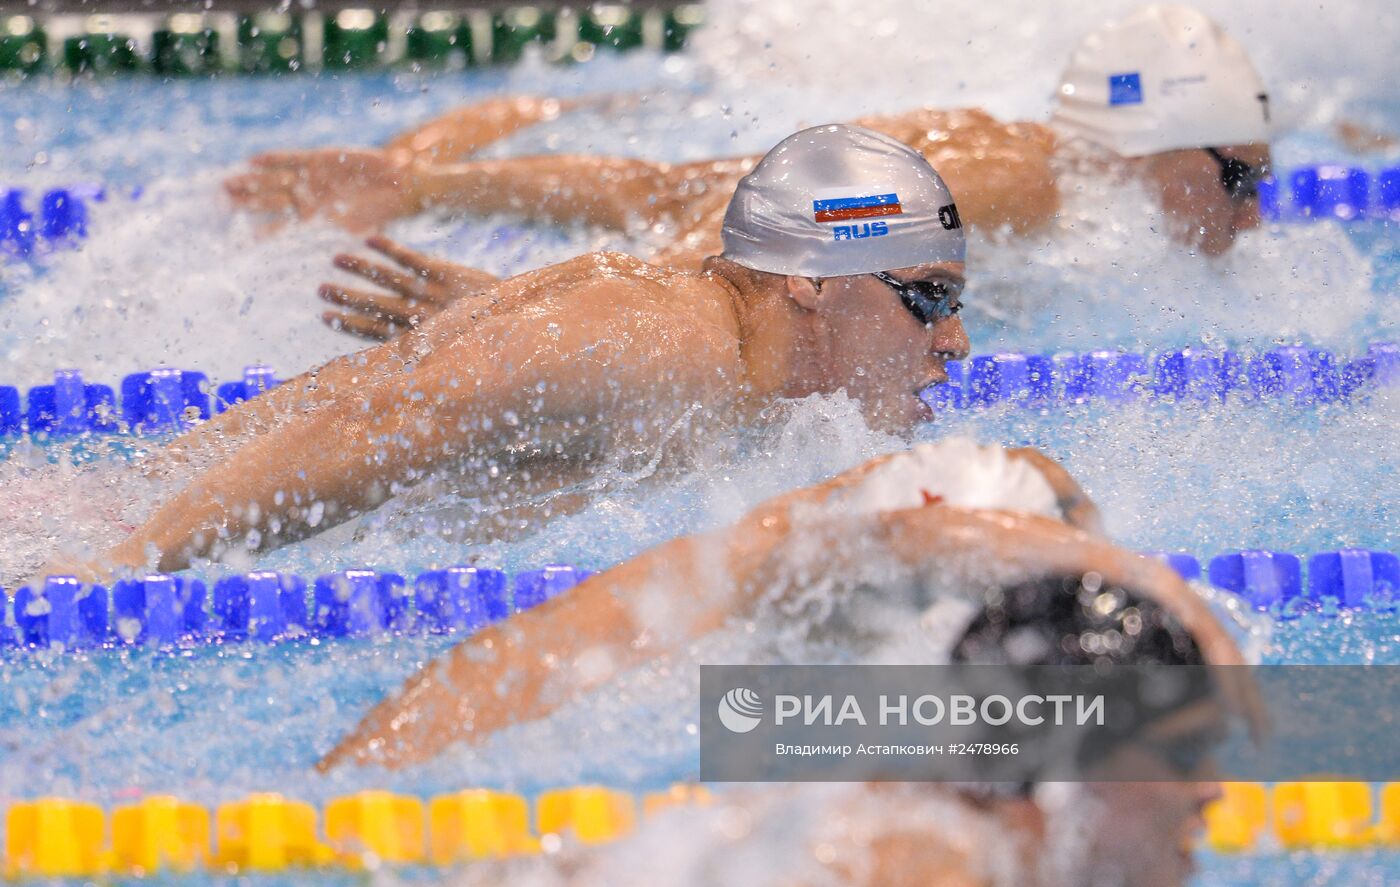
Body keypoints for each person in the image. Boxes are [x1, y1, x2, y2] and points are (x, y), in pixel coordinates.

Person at [34, 124, 976, 584]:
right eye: (927, 298)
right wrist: (122, 566)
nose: (955, 342)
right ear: (810, 281)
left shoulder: (738, 370)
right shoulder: (654, 341)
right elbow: (379, 417)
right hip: (92, 532)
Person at [319, 439, 1261, 887]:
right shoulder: (929, 858)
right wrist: (1162, 597)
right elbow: (905, 535)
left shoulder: (891, 796)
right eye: (1181, 755)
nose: (1213, 790)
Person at [225, 5, 1274, 340]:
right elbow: (746, 256)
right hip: (739, 221)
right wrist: (529, 311)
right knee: (675, 203)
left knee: (664, 180)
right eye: (1234, 178)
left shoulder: (1049, 172)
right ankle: (424, 176)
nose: (1252, 217)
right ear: (1155, 146)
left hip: (730, 182)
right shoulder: (1022, 191)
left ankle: (416, 181)